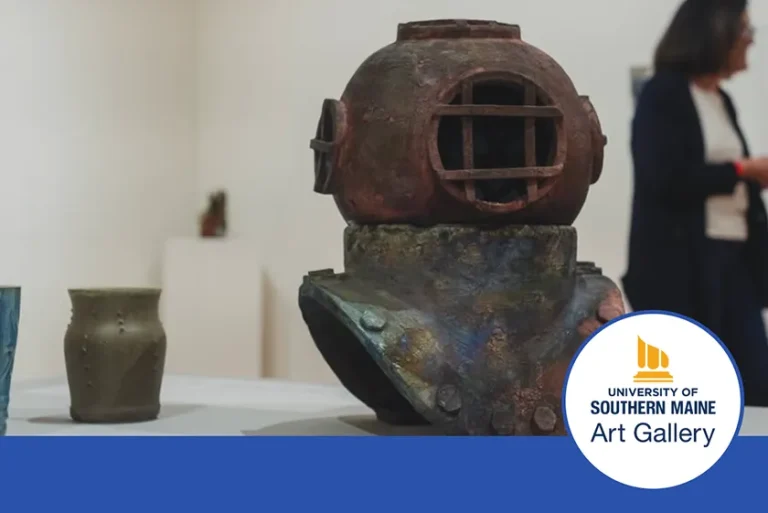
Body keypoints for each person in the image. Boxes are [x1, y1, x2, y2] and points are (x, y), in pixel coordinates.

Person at [622, 0, 768, 406]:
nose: (751, 41)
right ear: (714, 33)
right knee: (697, 388)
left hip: (734, 258)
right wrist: (742, 171)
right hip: (683, 265)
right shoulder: (663, 93)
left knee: (755, 383)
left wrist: (749, 177)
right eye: (745, 30)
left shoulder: (721, 99)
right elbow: (663, 176)